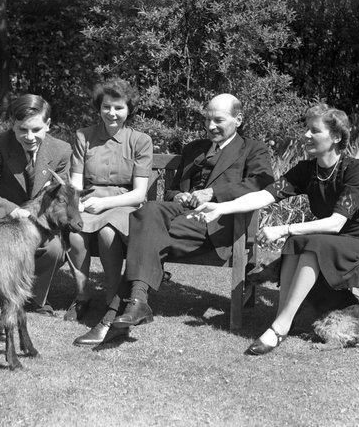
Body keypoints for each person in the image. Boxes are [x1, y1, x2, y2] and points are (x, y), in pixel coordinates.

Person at [73, 93, 274, 345]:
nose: (211, 126)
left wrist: (213, 193)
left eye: (219, 120)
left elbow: (260, 183)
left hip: (215, 222)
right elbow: (172, 190)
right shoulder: (194, 149)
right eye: (207, 120)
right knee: (147, 211)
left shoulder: (253, 149)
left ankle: (114, 316)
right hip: (179, 214)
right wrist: (179, 195)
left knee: (146, 236)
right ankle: (135, 305)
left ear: (239, 119)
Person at [189, 104, 359, 355]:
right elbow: (264, 195)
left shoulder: (355, 169)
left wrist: (285, 228)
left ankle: (280, 327)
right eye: (307, 129)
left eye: (314, 131)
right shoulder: (307, 170)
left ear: (336, 137)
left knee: (311, 241)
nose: (306, 135)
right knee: (296, 242)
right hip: (331, 242)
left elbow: (336, 222)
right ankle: (283, 319)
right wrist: (222, 208)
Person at [0, 94, 71, 322]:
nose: (29, 137)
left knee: (54, 250)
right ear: (13, 126)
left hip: (39, 225)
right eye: (22, 130)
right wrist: (11, 210)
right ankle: (3, 299)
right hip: (1, 223)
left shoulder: (61, 151)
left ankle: (32, 297)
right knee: (5, 249)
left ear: (48, 125)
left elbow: (59, 198)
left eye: (36, 129)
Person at [65, 78, 153, 322]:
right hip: (90, 200)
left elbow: (139, 194)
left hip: (123, 203)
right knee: (75, 233)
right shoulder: (84, 136)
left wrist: (103, 204)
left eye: (118, 107)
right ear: (99, 108)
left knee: (108, 233)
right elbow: (75, 183)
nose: (111, 113)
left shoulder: (141, 141)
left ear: (128, 109)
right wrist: (77, 205)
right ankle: (81, 296)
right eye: (106, 107)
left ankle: (113, 299)